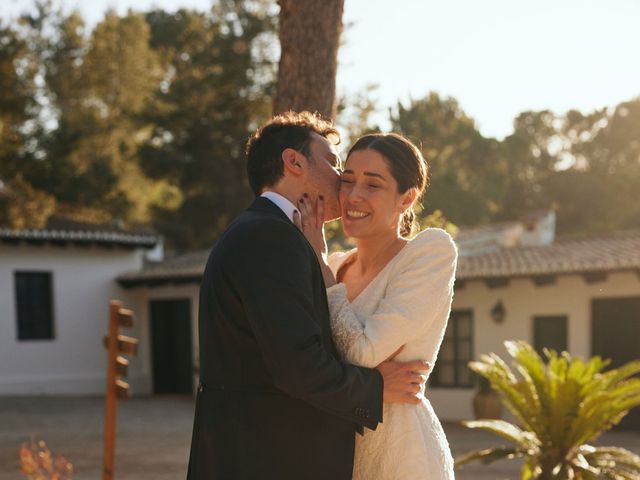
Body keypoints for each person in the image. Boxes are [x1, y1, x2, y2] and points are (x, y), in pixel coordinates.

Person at [186, 112, 431, 480]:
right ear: (294, 161)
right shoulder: (271, 237)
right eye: (334, 164)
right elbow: (298, 366)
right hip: (268, 459)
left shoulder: (265, 232)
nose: (343, 180)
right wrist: (377, 387)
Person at [296, 132, 458, 479]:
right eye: (348, 180)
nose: (353, 195)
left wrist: (322, 269)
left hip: (400, 452)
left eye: (373, 185)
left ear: (407, 198)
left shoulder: (429, 253)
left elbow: (362, 354)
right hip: (334, 451)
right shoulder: (336, 266)